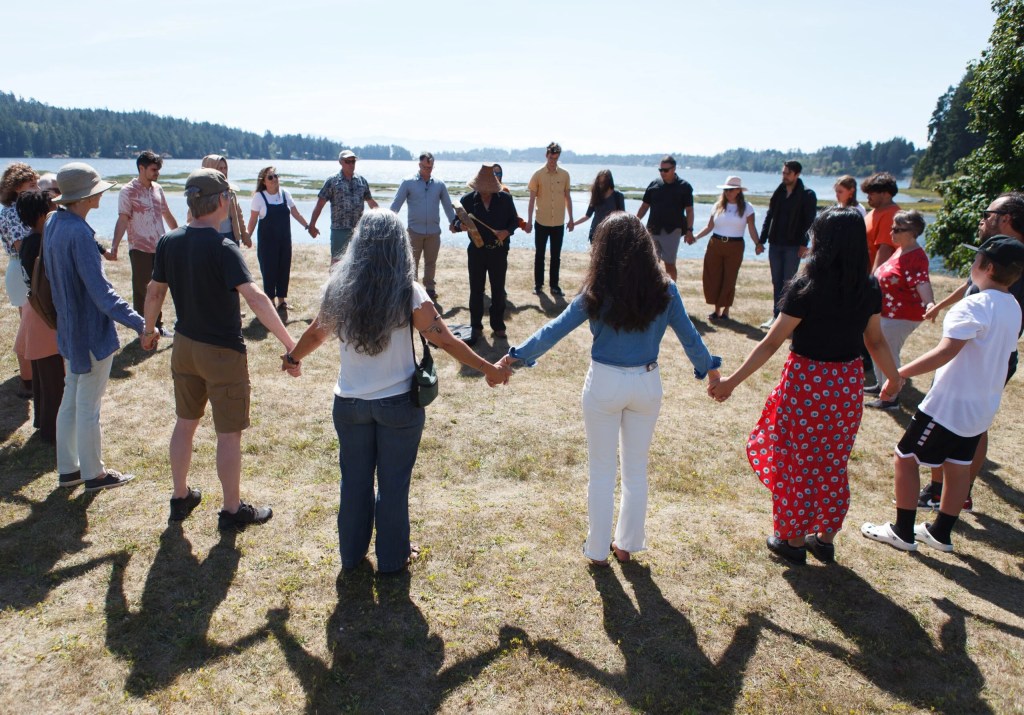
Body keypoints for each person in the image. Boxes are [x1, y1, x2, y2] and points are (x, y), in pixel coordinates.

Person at [283, 209, 508, 573]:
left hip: (350, 404)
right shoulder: (410, 291)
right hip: (398, 406)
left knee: (353, 483)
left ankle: (351, 556)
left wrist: (293, 357)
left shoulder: (340, 286)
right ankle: (392, 558)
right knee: (393, 485)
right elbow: (446, 341)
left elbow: (315, 333)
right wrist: (488, 369)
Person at [499, 213, 721, 567]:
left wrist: (515, 358)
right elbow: (691, 339)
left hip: (604, 382)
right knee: (636, 470)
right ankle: (626, 545)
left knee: (602, 472)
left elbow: (553, 330)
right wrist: (710, 370)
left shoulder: (597, 290)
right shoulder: (665, 288)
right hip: (647, 384)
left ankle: (598, 550)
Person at [709, 208, 901, 565]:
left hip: (807, 383)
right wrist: (894, 376)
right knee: (832, 461)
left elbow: (771, 342)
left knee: (795, 461)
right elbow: (874, 341)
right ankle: (824, 539)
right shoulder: (869, 285)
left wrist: (732, 382)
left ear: (823, 241)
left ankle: (793, 541)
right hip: (846, 384)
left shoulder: (806, 285)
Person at [142, 168, 296, 528]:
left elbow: (154, 291)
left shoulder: (170, 241)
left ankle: (180, 496)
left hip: (184, 346)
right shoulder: (223, 247)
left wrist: (148, 330)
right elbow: (256, 298)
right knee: (228, 433)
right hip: (222, 353)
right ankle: (231, 510)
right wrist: (291, 345)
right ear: (223, 201)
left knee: (185, 423)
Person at [861, 236, 1024, 554]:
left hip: (948, 405)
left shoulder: (974, 304)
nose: (972, 265)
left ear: (987, 267)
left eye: (976, 260)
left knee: (906, 458)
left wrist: (900, 375)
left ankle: (902, 531)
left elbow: (945, 352)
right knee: (958, 465)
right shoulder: (1013, 306)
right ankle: (940, 532)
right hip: (982, 405)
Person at [919, 191, 1024, 512]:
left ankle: (951, 492)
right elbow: (970, 286)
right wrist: (940, 304)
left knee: (970, 426)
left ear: (1005, 218)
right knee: (961, 421)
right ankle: (944, 490)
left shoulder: (1015, 262)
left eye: (988, 212)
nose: (982, 218)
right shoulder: (996, 253)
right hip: (970, 350)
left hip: (986, 356)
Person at [45, 163, 144, 492]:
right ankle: (94, 474)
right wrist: (141, 324)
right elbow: (102, 294)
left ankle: (69, 469)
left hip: (69, 329)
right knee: (87, 405)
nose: (102, 193)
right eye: (96, 190)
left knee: (71, 398)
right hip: (88, 332)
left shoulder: (54, 224)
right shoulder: (77, 232)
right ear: (85, 197)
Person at [865, 210, 934, 410]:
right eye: (892, 228)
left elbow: (922, 282)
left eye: (897, 229)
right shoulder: (901, 249)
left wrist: (929, 303)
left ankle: (890, 398)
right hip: (887, 312)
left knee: (888, 352)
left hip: (901, 315)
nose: (892, 232)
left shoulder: (916, 257)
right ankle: (881, 385)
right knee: (878, 349)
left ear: (912, 232)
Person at [109, 151, 178, 337]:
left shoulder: (158, 189)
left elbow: (167, 214)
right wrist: (114, 246)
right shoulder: (127, 191)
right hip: (139, 247)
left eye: (159, 170)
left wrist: (180, 235)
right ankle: (143, 328)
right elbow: (123, 219)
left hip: (160, 245)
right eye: (154, 169)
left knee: (159, 286)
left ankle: (158, 326)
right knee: (142, 288)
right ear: (141, 168)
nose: (157, 173)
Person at [15, 190, 62, 443]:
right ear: (43, 213)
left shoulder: (31, 239)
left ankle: (42, 423)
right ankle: (52, 433)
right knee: (53, 378)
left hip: (35, 312)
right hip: (43, 316)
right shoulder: (38, 242)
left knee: (44, 376)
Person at [453, 164, 519, 345]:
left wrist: (506, 232)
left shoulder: (505, 199)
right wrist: (461, 226)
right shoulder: (466, 200)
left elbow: (514, 221)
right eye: (481, 189)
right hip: (476, 251)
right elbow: (453, 224)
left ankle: (498, 324)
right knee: (476, 289)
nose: (484, 193)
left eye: (488, 190)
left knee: (498, 289)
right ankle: (475, 325)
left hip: (498, 251)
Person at [245, 166, 317, 312]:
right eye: (270, 177)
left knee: (284, 269)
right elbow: (252, 220)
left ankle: (282, 301)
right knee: (269, 271)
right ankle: (270, 302)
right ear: (264, 181)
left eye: (276, 176)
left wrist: (308, 227)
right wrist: (247, 236)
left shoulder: (285, 194)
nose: (274, 179)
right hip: (267, 243)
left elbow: (296, 213)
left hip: (284, 241)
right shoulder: (259, 197)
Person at [693, 176, 763, 322]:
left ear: (738, 190)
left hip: (735, 245)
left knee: (729, 277)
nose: (728, 192)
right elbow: (709, 227)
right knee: (712, 276)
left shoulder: (747, 208)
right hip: (715, 244)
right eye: (726, 190)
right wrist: (696, 237)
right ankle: (716, 310)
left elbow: (752, 228)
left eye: (731, 190)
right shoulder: (718, 206)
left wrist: (758, 244)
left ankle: (725, 310)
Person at [389, 152, 457, 302]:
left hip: (434, 232)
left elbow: (447, 205)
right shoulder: (407, 182)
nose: (428, 170)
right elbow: (396, 204)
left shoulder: (439, 184)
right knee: (412, 262)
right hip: (414, 231)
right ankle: (412, 290)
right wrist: (388, 221)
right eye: (425, 167)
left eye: (430, 167)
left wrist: (454, 222)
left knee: (431, 262)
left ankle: (430, 290)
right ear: (419, 165)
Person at [758, 160, 817, 329]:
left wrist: (803, 244)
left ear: (796, 174)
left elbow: (810, 221)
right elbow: (770, 216)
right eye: (783, 173)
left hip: (793, 246)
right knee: (776, 281)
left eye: (787, 173)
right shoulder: (779, 192)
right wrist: (761, 240)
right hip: (775, 243)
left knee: (788, 282)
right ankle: (776, 316)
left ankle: (787, 318)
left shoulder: (807, 195)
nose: (784, 176)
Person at [1, 162, 39, 397]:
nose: (37, 189)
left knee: (32, 324)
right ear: (16, 188)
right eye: (31, 185)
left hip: (28, 267)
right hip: (23, 268)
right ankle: (28, 382)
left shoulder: (26, 208)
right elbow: (22, 247)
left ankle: (33, 373)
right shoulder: (12, 212)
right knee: (28, 326)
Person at [309, 150, 379, 261]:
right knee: (337, 262)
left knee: (359, 262)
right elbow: (320, 204)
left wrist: (384, 218)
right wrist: (312, 225)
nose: (351, 164)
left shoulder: (362, 181)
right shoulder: (332, 181)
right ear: (341, 162)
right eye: (348, 161)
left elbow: (371, 203)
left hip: (358, 230)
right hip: (339, 230)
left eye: (353, 161)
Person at [526, 142, 574, 295]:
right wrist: (528, 221)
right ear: (546, 156)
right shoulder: (538, 174)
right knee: (539, 254)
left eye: (555, 158)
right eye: (551, 158)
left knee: (556, 256)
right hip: (541, 221)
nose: (553, 161)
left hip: (558, 222)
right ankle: (538, 285)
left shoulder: (565, 174)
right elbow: (532, 199)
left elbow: (568, 197)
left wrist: (571, 218)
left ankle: (554, 285)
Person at [637, 155, 694, 282]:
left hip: (672, 230)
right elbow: (644, 206)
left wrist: (689, 230)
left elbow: (689, 210)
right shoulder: (654, 185)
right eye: (660, 170)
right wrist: (635, 221)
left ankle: (672, 291)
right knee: (651, 262)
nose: (663, 173)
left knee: (669, 263)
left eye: (666, 170)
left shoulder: (684, 187)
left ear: (674, 169)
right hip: (652, 229)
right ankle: (652, 289)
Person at [192, 155, 251, 248]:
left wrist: (244, 233)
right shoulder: (202, 193)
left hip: (231, 235)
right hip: (210, 236)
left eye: (225, 168)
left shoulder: (230, 190)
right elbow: (192, 216)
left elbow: (238, 213)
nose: (223, 171)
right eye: (220, 168)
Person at [571, 170, 625, 243]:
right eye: (599, 183)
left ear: (609, 181)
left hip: (612, 234)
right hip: (595, 232)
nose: (601, 185)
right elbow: (587, 215)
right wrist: (573, 224)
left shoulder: (618, 196)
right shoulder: (596, 195)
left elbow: (623, 217)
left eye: (603, 183)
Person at [861, 172, 900, 273]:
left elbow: (885, 250)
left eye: (872, 194)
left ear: (886, 194)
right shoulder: (875, 211)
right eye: (867, 194)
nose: (868, 197)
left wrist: (873, 281)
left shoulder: (891, 215)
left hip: (880, 278)